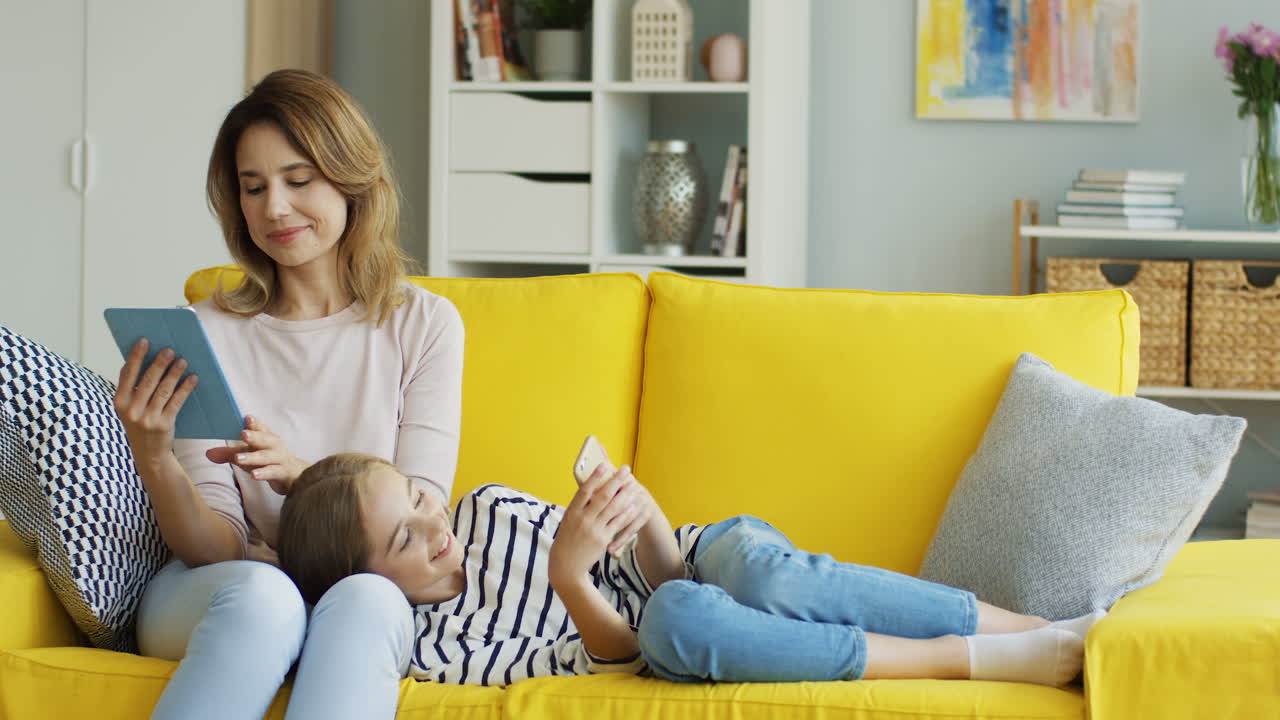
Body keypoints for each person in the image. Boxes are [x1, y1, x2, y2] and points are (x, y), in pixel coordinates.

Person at [111, 69, 464, 720]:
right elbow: (212, 546)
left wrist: (303, 481)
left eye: (298, 180)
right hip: (221, 590)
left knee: (366, 598)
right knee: (267, 595)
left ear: (350, 178)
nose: (275, 207)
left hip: (365, 586)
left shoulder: (423, 324)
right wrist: (153, 456)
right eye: (254, 187)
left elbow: (421, 516)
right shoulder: (209, 334)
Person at [277, 451, 1105, 689]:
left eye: (421, 501)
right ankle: (968, 664)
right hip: (670, 628)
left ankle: (1029, 631)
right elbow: (625, 652)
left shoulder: (487, 509)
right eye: (405, 540)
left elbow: (670, 567)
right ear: (365, 587)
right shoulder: (435, 646)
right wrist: (570, 580)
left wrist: (637, 516)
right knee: (678, 622)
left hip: (703, 557)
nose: (436, 526)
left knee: (759, 577)